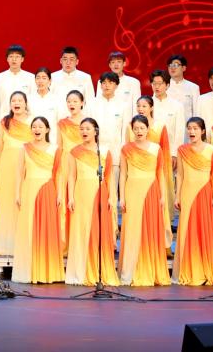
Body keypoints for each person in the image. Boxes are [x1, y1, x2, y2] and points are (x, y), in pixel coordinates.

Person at [64, 117, 119, 286]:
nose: (84, 131)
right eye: (81, 129)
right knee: (81, 230)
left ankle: (98, 271)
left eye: (87, 128)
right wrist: (71, 196)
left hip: (99, 194)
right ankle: (80, 271)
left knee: (98, 231)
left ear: (96, 131)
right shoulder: (74, 151)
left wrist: (111, 196)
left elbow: (109, 176)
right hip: (80, 194)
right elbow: (71, 175)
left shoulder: (104, 151)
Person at [118, 115, 170, 286]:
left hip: (151, 191)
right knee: (132, 229)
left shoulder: (156, 148)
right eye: (136, 128)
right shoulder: (126, 149)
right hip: (132, 190)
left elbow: (160, 173)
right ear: (132, 130)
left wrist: (163, 195)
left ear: (148, 129)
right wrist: (122, 197)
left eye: (142, 128)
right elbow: (123, 174)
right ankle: (131, 270)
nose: (139, 131)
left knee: (150, 228)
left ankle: (150, 269)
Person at [12, 117, 65, 284]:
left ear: (47, 130)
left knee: (47, 229)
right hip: (29, 190)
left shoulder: (55, 149)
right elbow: (19, 173)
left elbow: (59, 173)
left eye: (40, 127)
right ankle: (27, 271)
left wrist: (60, 194)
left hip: (48, 190)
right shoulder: (24, 148)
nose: (37, 129)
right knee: (28, 228)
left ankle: (47, 271)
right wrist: (17, 193)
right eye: (34, 126)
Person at [172, 117, 213, 286]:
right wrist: (177, 195)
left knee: (204, 229)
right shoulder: (182, 150)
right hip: (187, 192)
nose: (191, 131)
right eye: (189, 128)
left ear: (202, 131)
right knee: (188, 228)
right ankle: (189, 268)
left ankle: (205, 268)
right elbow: (180, 175)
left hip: (205, 192)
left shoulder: (211, 150)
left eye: (195, 128)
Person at [0, 91, 33, 256]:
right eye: (13, 100)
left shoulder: (32, 122)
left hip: (26, 168)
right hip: (6, 168)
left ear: (26, 103)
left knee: (22, 205)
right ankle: (4, 246)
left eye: (20, 100)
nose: (16, 103)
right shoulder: (5, 122)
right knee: (6, 206)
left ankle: (23, 246)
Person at [131, 96, 174, 247]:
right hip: (136, 173)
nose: (141, 109)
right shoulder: (132, 126)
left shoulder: (160, 126)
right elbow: (128, 149)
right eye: (138, 106)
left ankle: (158, 244)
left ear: (152, 107)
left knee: (155, 210)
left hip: (154, 171)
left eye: (144, 106)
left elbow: (165, 151)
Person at [90, 72, 126, 194]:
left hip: (115, 152)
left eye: (110, 83)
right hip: (95, 152)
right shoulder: (92, 104)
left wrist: (122, 154)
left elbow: (125, 132)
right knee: (95, 189)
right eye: (104, 83)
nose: (107, 85)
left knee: (112, 190)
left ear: (116, 85)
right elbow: (87, 128)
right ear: (100, 85)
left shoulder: (123, 105)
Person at [0, 45, 35, 127]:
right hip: (4, 121)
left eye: (17, 57)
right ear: (7, 59)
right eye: (11, 56)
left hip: (25, 122)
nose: (14, 59)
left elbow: (32, 102)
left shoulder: (30, 78)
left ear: (22, 59)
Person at [97, 51, 140, 119]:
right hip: (107, 118)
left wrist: (135, 122)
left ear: (124, 63)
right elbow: (99, 102)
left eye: (119, 62)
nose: (116, 65)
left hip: (127, 119)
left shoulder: (134, 82)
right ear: (109, 65)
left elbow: (137, 105)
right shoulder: (102, 82)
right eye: (113, 62)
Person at [51, 46, 95, 112]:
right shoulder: (52, 77)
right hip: (58, 115)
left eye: (71, 59)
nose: (68, 62)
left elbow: (90, 101)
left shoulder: (85, 77)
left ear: (77, 61)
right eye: (65, 59)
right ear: (60, 61)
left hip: (79, 115)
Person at [166, 54, 199, 119]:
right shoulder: (162, 86)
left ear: (184, 68)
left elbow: (196, 112)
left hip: (186, 124)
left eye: (176, 65)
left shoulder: (193, 87)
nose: (172, 68)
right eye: (170, 65)